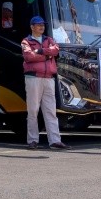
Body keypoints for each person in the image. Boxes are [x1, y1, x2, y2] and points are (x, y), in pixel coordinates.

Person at [21, 15, 69, 150]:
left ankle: (55, 141)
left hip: (48, 78)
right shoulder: (26, 41)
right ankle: (32, 140)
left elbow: (56, 50)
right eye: (38, 24)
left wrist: (41, 51)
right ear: (32, 27)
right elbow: (28, 56)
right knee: (33, 110)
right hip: (33, 78)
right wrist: (48, 56)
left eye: (43, 24)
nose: (42, 27)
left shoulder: (49, 39)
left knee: (50, 110)